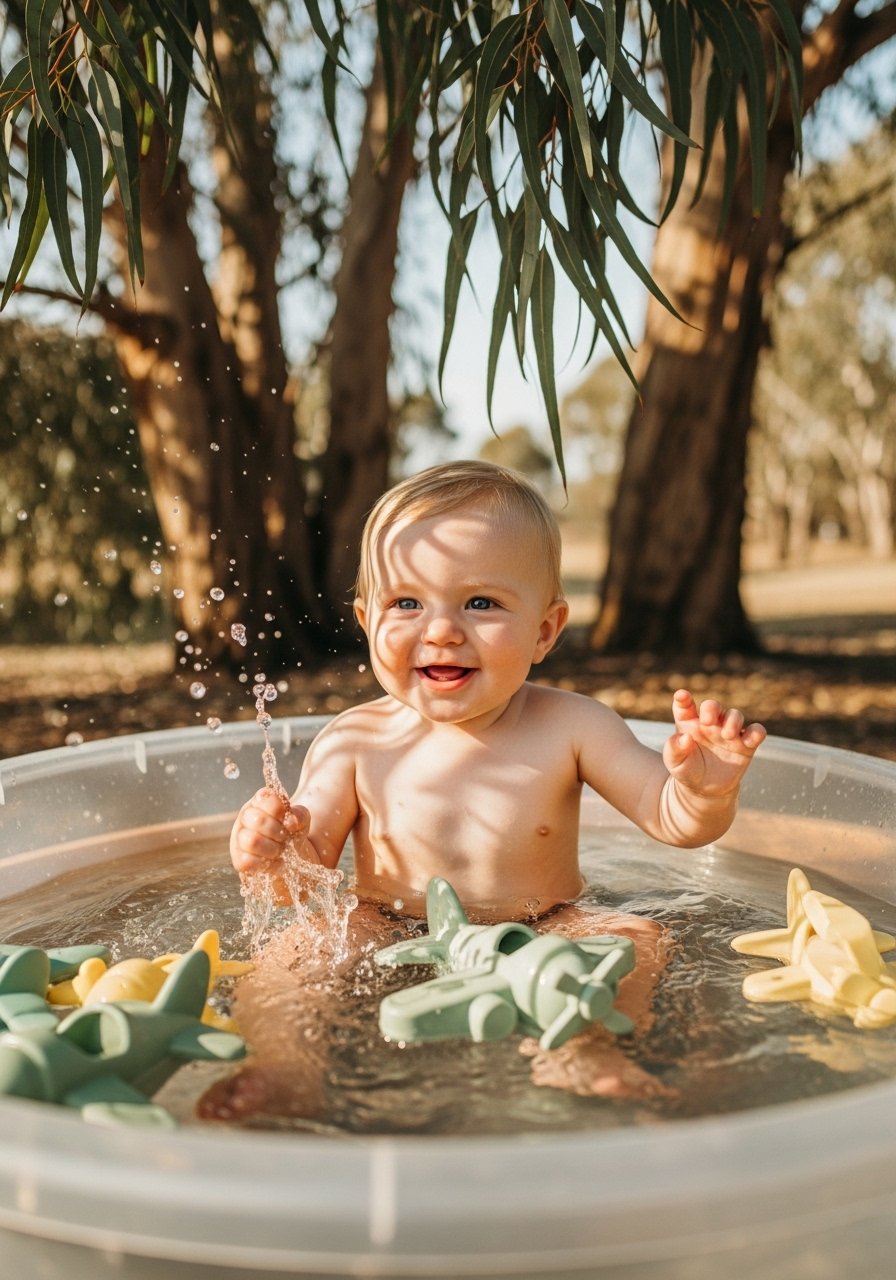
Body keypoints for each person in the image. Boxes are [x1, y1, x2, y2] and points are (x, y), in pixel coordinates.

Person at [220, 461, 766, 1110]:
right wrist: (266, 853)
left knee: (634, 941)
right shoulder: (354, 739)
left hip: (546, 926)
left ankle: (581, 1047)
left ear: (544, 630)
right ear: (368, 622)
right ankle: (285, 1068)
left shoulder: (574, 726)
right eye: (407, 603)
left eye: (481, 602)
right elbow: (299, 884)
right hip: (384, 926)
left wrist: (704, 791)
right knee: (298, 948)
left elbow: (672, 821)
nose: (443, 628)